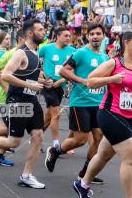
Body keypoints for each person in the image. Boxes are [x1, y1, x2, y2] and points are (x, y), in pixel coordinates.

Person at [73, 32, 132, 198]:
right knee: (130, 157)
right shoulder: (114, 63)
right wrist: (112, 79)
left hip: (128, 116)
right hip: (110, 113)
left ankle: (82, 184)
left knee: (103, 155)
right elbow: (91, 81)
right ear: (126, 43)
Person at [0, 19, 47, 188]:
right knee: (14, 141)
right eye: (41, 30)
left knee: (38, 136)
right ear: (30, 33)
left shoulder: (35, 53)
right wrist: (30, 85)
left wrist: (45, 81)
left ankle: (26, 175)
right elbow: (6, 74)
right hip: (17, 101)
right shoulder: (20, 53)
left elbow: (29, 76)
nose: (44, 32)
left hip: (32, 100)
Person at [44, 23, 109, 183]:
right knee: (80, 139)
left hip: (98, 103)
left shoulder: (105, 57)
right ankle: (55, 151)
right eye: (92, 33)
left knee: (99, 137)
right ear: (87, 36)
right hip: (80, 102)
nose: (95, 36)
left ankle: (86, 173)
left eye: (98, 33)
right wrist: (82, 81)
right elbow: (63, 70)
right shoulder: (81, 53)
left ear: (103, 36)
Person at [38, 27, 75, 151]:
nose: (68, 38)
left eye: (69, 36)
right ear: (58, 36)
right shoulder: (47, 48)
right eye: (65, 35)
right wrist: (40, 72)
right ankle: (56, 144)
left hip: (61, 84)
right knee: (56, 114)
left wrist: (63, 80)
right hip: (49, 83)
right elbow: (32, 58)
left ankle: (36, 137)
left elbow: (75, 68)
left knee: (49, 116)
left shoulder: (72, 51)